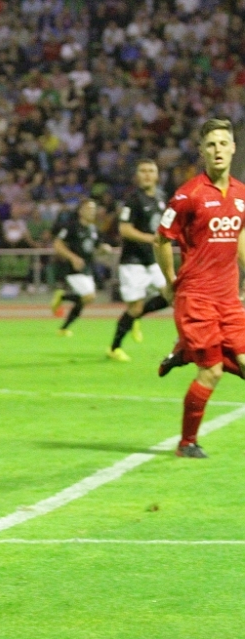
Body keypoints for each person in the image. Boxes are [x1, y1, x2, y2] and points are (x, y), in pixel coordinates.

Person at [154, 118, 245, 458]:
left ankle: (186, 352)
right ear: (201, 152)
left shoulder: (241, 193)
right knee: (212, 372)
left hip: (229, 298)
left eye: (223, 143)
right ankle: (187, 443)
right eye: (210, 145)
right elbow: (161, 239)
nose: (217, 150)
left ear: (233, 148)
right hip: (197, 297)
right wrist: (170, 282)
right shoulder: (187, 195)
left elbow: (238, 237)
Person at [106, 159, 171, 361]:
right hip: (133, 261)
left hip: (153, 260)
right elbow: (124, 229)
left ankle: (136, 317)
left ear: (157, 175)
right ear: (137, 176)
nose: (147, 174)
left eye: (151, 171)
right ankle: (114, 347)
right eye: (143, 171)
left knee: (172, 295)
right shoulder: (133, 200)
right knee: (134, 307)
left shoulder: (161, 198)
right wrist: (151, 239)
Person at [49, 198, 110, 336]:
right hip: (72, 268)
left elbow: (94, 248)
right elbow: (57, 245)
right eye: (89, 209)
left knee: (85, 300)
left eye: (93, 209)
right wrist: (73, 257)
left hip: (88, 268)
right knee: (89, 296)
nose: (92, 212)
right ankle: (62, 298)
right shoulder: (72, 226)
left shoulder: (93, 229)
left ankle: (64, 327)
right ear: (80, 211)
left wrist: (103, 249)